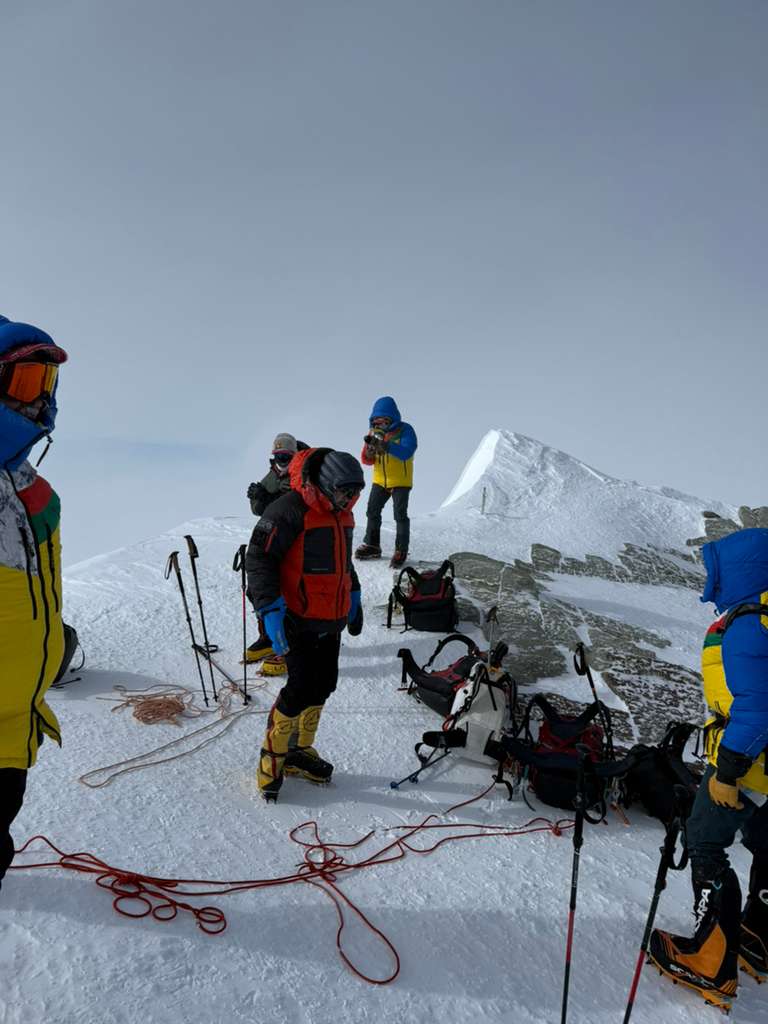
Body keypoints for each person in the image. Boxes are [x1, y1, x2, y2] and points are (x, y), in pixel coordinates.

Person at [649, 527, 768, 1010]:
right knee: (765, 841)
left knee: (704, 841)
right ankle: (760, 939)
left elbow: (757, 709)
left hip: (748, 765)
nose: (709, 579)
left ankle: (711, 962)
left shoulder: (746, 626)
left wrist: (727, 772)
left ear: (740, 571)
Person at [245, 447, 365, 802]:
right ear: (326, 483)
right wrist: (269, 607)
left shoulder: (343, 515)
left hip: (331, 616)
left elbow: (343, 561)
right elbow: (259, 558)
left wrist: (354, 593)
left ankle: (298, 751)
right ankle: (272, 758)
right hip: (296, 617)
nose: (350, 499)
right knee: (299, 687)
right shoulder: (288, 509)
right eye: (345, 491)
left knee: (324, 683)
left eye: (355, 492)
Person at [0, 315, 68, 893]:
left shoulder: (31, 486)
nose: (39, 401)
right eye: (26, 382)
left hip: (18, 719)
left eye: (48, 383)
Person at [244, 433, 307, 665]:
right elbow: (259, 510)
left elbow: (295, 505)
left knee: (289, 591)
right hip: (272, 538)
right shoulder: (272, 475)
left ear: (295, 455)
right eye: (278, 456)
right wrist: (258, 498)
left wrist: (269, 499)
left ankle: (290, 644)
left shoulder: (304, 472)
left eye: (286, 456)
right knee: (259, 589)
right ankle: (269, 637)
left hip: (295, 541)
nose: (281, 460)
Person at [354, 396, 417, 568]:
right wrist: (370, 450)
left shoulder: (405, 430)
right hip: (380, 480)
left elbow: (407, 452)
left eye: (383, 421)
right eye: (376, 422)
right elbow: (366, 461)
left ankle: (401, 550)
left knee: (400, 515)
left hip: (400, 480)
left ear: (392, 418)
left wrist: (387, 446)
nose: (380, 425)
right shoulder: (373, 434)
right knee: (372, 511)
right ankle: (372, 545)